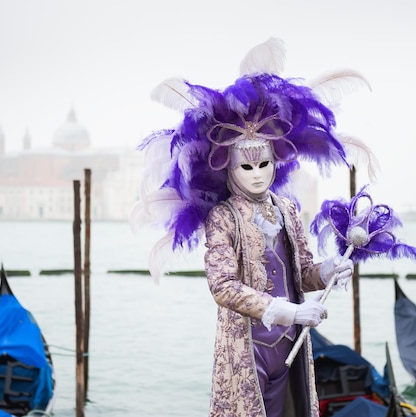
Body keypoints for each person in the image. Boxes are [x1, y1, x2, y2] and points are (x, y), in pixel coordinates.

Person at [130, 38, 369, 417]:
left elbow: (301, 273)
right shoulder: (224, 216)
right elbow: (222, 287)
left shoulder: (288, 209)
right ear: (228, 167)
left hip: (291, 343)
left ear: (278, 161)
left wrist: (326, 271)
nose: (257, 175)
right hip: (249, 348)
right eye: (246, 166)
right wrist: (288, 311)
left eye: (264, 164)